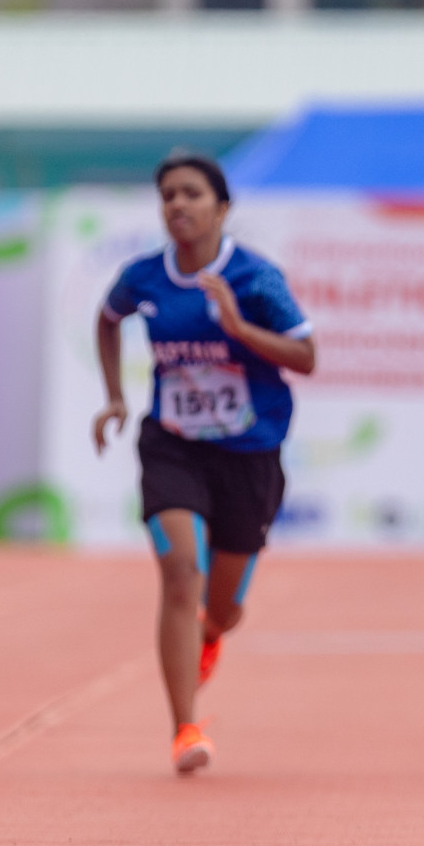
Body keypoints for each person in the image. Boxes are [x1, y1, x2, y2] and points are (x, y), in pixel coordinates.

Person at [92, 153, 315, 775]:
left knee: (223, 609)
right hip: (174, 447)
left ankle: (210, 633)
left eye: (191, 194)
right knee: (180, 572)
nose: (177, 206)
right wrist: (114, 394)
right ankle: (184, 727)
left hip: (250, 456)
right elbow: (107, 320)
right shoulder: (143, 277)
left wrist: (238, 327)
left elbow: (306, 357)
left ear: (221, 208)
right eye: (167, 195)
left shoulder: (255, 278)